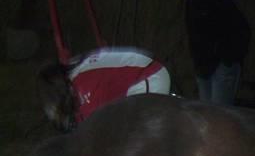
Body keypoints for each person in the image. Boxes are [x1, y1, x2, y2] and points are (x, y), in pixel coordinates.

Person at [170, 0, 250, 105]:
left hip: (221, 68)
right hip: (203, 70)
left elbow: (242, 30)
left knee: (219, 116)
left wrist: (227, 60)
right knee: (206, 116)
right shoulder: (190, 3)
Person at [38, 47, 171, 131]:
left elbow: (97, 124)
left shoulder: (82, 81)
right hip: (139, 81)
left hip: (149, 75)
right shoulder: (77, 77)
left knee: (131, 136)